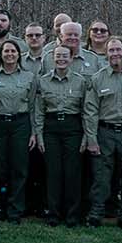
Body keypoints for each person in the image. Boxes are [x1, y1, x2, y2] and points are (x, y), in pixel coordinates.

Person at [83, 39, 122, 229]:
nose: (115, 53)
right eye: (111, 50)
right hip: (105, 132)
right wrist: (92, 140)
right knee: (101, 176)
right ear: (106, 54)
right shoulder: (98, 78)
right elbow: (90, 112)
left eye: (118, 49)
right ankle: (96, 213)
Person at [33, 44, 88, 226]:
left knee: (72, 172)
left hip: (73, 128)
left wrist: (86, 137)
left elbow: (85, 112)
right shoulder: (43, 81)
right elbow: (39, 111)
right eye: (58, 56)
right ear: (52, 58)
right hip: (51, 128)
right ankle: (53, 214)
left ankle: (72, 214)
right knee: (53, 172)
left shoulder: (80, 81)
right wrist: (39, 135)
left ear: (71, 58)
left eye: (65, 56)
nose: (61, 59)